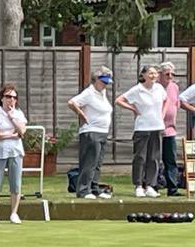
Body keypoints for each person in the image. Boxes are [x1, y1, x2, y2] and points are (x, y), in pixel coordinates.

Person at [115, 64, 166, 197]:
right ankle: (138, 185)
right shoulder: (137, 90)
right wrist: (133, 109)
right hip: (142, 127)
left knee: (154, 158)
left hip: (157, 126)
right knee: (140, 157)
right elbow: (119, 100)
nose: (153, 76)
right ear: (143, 75)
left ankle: (150, 185)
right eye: (150, 73)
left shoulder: (159, 88)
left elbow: (166, 101)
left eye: (155, 73)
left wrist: (162, 114)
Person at [67, 66, 114, 199]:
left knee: (97, 163)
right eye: (103, 82)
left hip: (103, 132)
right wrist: (81, 114)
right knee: (89, 162)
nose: (105, 85)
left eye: (107, 83)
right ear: (96, 79)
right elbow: (72, 102)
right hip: (91, 132)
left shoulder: (102, 93)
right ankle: (83, 190)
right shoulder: (89, 92)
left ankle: (93, 188)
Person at [0, 83, 27, 224]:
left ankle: (14, 213)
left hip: (15, 151)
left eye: (14, 97)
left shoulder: (18, 113)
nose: (11, 100)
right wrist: (10, 135)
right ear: (2, 98)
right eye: (8, 96)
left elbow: (21, 132)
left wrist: (11, 117)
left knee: (15, 183)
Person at [159, 61, 182, 195]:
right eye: (167, 74)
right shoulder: (155, 87)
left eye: (172, 74)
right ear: (161, 74)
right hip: (156, 128)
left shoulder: (175, 87)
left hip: (170, 129)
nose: (170, 76)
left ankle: (172, 189)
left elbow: (176, 104)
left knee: (171, 160)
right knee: (154, 159)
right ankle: (152, 186)